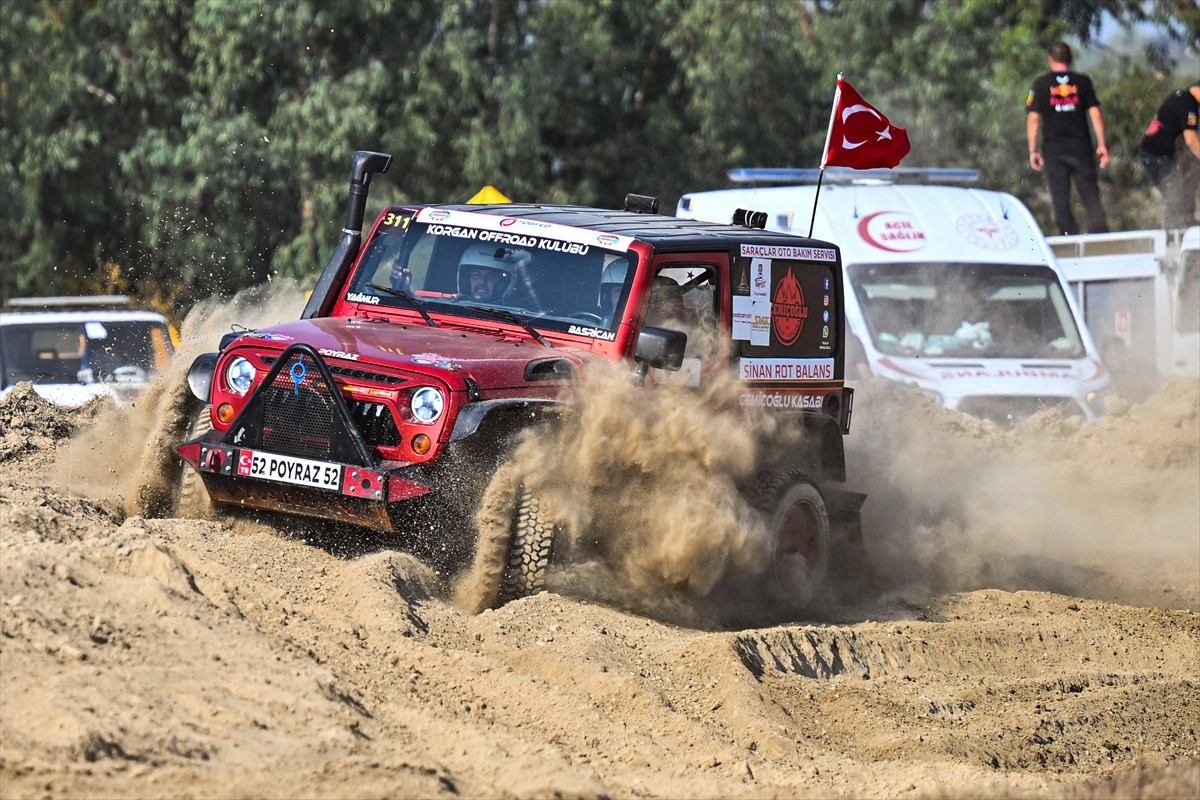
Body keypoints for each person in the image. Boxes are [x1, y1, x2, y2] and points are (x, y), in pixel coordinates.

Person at [1026, 41, 1110, 235]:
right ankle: (1100, 238)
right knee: (1090, 197)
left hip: (1054, 151)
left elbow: (1033, 119)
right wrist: (1102, 145)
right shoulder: (1083, 82)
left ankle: (1069, 239)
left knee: (1060, 199)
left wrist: (1033, 150)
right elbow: (1096, 114)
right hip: (1081, 148)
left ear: (1050, 60)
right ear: (1070, 60)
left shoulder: (1041, 84)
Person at [1137, 81, 1200, 231]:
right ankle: (1175, 235)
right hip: (1155, 155)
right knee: (1176, 194)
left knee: (1184, 190)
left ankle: (1185, 228)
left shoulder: (1182, 98)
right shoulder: (1188, 105)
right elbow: (1191, 140)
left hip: (1161, 155)